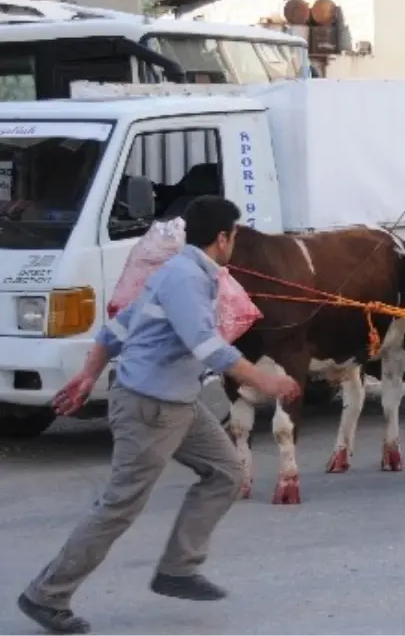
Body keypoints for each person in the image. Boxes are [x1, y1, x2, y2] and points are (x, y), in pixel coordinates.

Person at [17, 195, 301, 634]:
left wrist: (87, 377)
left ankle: (178, 569)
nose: (236, 242)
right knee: (119, 505)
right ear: (223, 238)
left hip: (177, 401)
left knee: (225, 472)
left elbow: (116, 330)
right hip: (150, 406)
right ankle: (46, 595)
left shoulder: (179, 271)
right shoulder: (186, 278)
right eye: (235, 234)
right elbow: (206, 347)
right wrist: (267, 381)